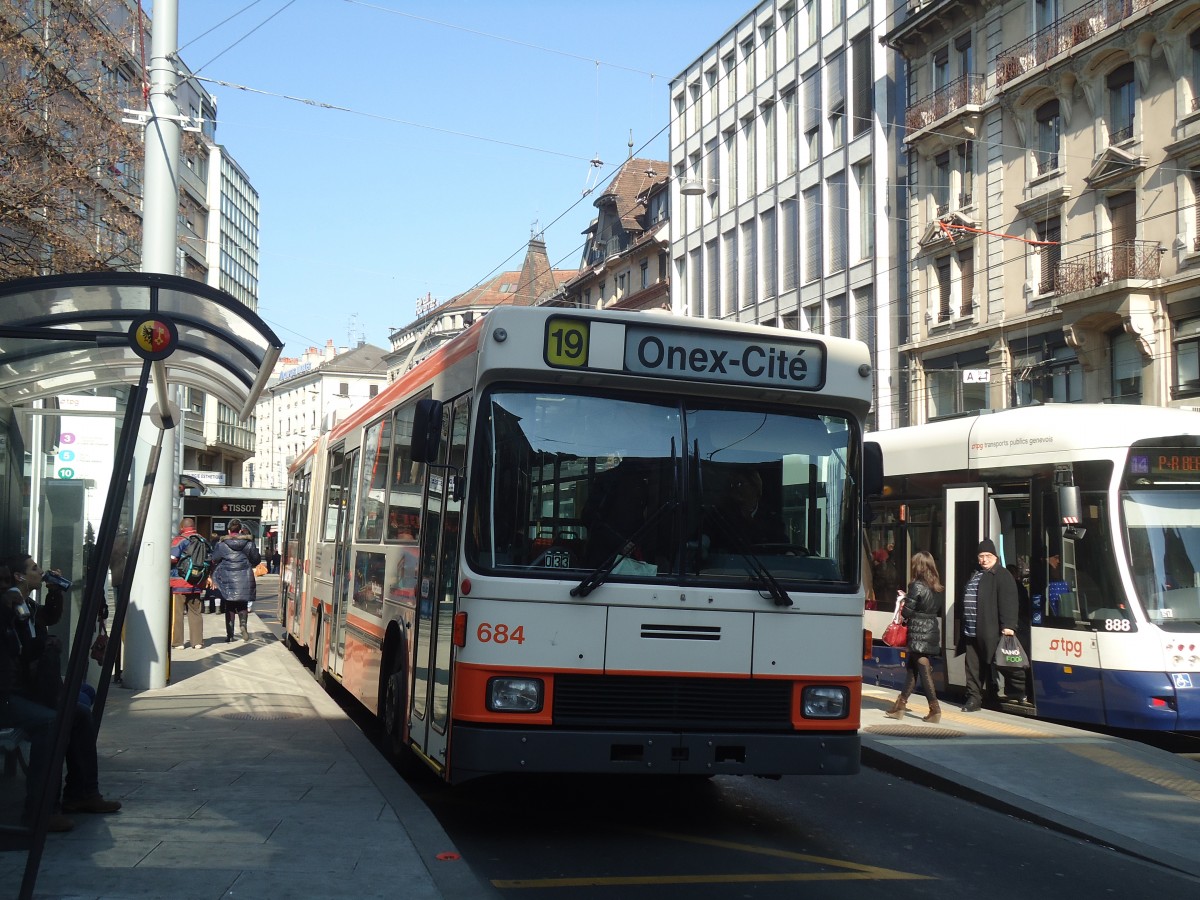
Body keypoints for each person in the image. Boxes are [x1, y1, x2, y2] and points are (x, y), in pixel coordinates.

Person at [2, 552, 122, 832]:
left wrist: (55, 593)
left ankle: (82, 794)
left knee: (78, 712)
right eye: (33, 569)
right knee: (51, 722)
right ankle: (41, 809)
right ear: (19, 577)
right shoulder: (8, 607)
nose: (39, 571)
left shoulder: (25, 605)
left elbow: (45, 622)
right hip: (9, 694)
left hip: (25, 689)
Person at [958, 539, 1026, 711]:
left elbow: (1009, 601)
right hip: (972, 631)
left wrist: (1009, 625)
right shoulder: (976, 574)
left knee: (1004, 663)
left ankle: (1020, 691)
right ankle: (974, 699)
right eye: (981, 556)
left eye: (988, 556)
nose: (984, 559)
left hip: (992, 631)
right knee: (973, 667)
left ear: (995, 556)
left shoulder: (1002, 575)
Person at [884, 551, 944, 723]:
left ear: (917, 566)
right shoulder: (937, 586)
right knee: (912, 669)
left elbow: (907, 611)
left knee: (923, 668)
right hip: (931, 628)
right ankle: (900, 706)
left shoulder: (916, 585)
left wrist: (903, 600)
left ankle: (935, 708)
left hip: (918, 631)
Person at [210, 520, 260, 643]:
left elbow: (214, 559)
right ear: (240, 530)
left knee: (230, 605)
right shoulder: (249, 543)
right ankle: (243, 625)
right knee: (242, 604)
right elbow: (256, 559)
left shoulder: (221, 544)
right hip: (244, 576)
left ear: (228, 531)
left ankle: (230, 634)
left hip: (227, 577)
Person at [170, 518, 207, 649]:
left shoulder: (179, 540)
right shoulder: (203, 540)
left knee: (177, 614)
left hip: (179, 582)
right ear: (194, 527)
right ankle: (197, 642)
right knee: (196, 612)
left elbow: (173, 558)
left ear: (182, 527)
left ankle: (178, 642)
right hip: (196, 582)